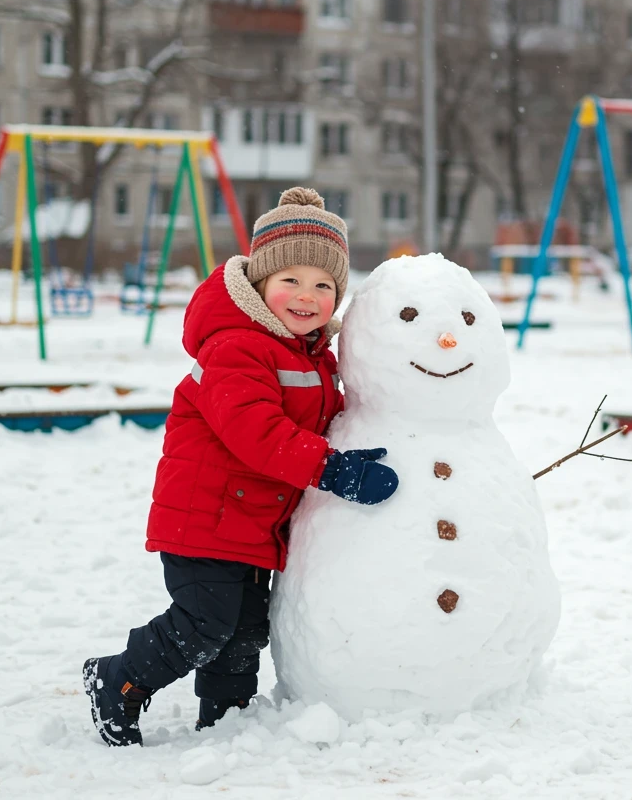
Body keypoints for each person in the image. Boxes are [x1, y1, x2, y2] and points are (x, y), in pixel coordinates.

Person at [83, 188, 398, 747]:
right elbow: (257, 433)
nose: (307, 296)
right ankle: (119, 679)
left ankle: (226, 721)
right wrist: (333, 469)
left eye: (324, 285)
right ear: (259, 285)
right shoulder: (236, 347)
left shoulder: (312, 358)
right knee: (205, 626)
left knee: (244, 634)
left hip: (254, 526)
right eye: (291, 281)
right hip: (205, 521)